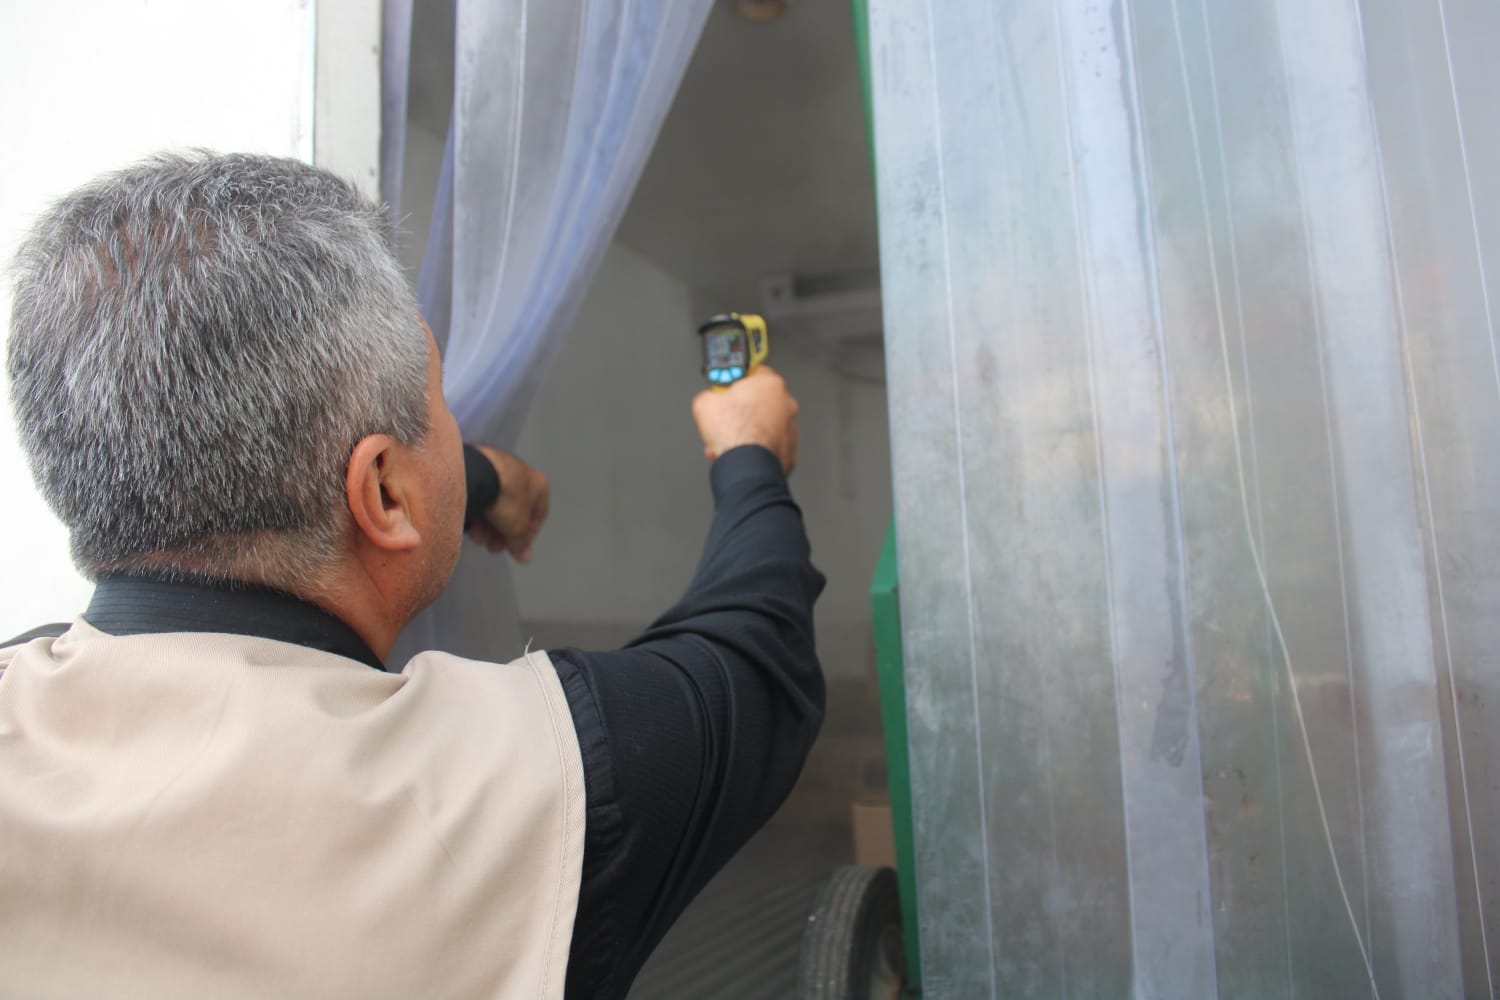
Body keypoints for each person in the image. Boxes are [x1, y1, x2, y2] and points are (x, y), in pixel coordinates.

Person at [0, 152, 824, 999]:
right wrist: (749, 452)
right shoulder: (523, 789)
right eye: (441, 400)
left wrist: (482, 481)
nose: (453, 428)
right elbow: (756, 655)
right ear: (386, 493)